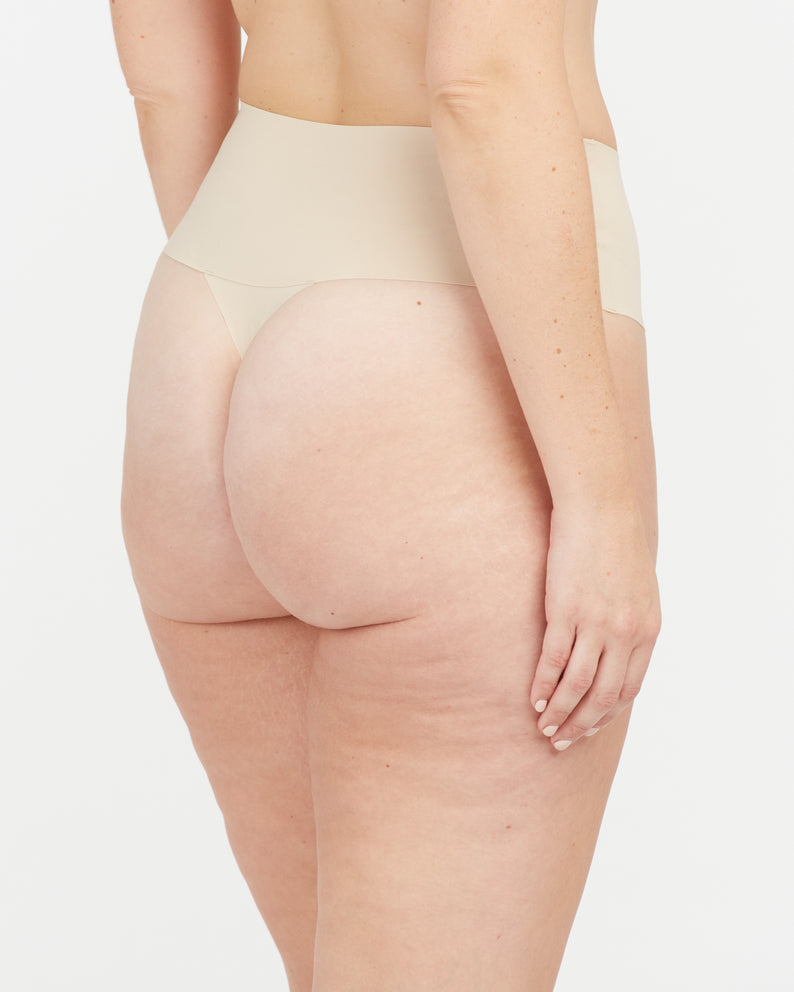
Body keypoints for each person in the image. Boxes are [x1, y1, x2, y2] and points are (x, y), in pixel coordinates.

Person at [110, 0, 661, 988]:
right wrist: (599, 503)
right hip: (437, 353)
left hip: (200, 338)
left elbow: (165, 84)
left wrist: (281, 381)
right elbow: (480, 83)